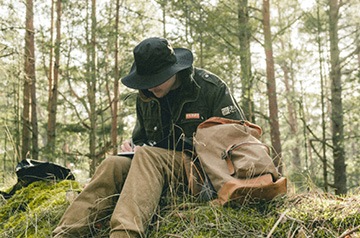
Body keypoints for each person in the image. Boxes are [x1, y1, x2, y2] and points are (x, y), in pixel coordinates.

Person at [53, 37, 246, 238]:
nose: (151, 87)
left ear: (174, 71)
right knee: (113, 164)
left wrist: (185, 145)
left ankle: (125, 233)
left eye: (157, 79)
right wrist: (132, 146)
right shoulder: (146, 96)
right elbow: (142, 138)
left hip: (200, 170)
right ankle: (66, 232)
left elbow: (237, 137)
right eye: (146, 82)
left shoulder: (209, 88)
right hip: (153, 169)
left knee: (148, 156)